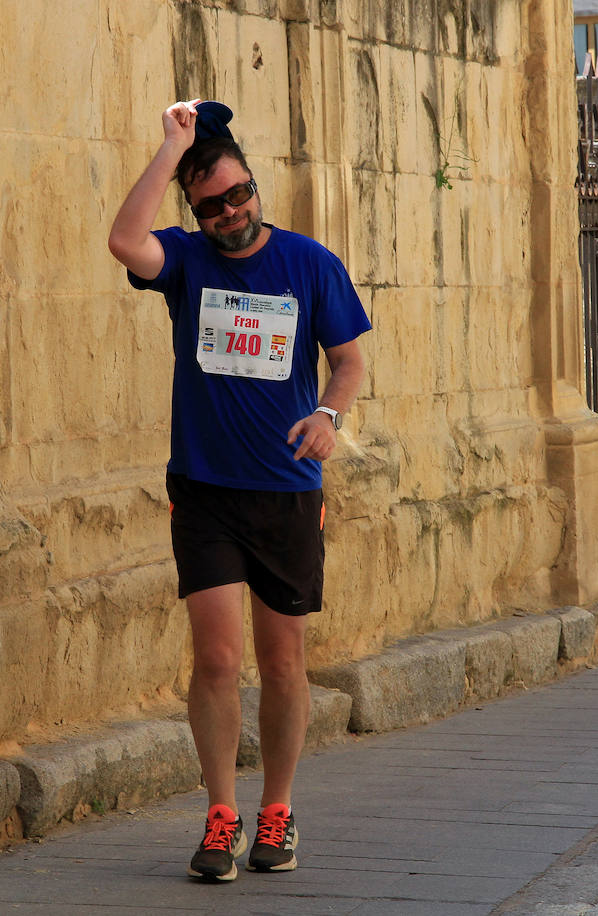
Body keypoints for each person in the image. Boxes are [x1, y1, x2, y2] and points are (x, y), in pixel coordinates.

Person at [107, 99, 371, 882]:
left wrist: (328, 414)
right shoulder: (186, 263)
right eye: (212, 203)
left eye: (239, 194)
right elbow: (125, 240)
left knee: (283, 663)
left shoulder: (310, 264)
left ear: (254, 185)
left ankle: (278, 810)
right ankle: (221, 816)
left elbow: (349, 362)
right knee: (218, 660)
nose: (231, 213)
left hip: (287, 491)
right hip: (206, 490)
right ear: (196, 208)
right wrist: (171, 150)